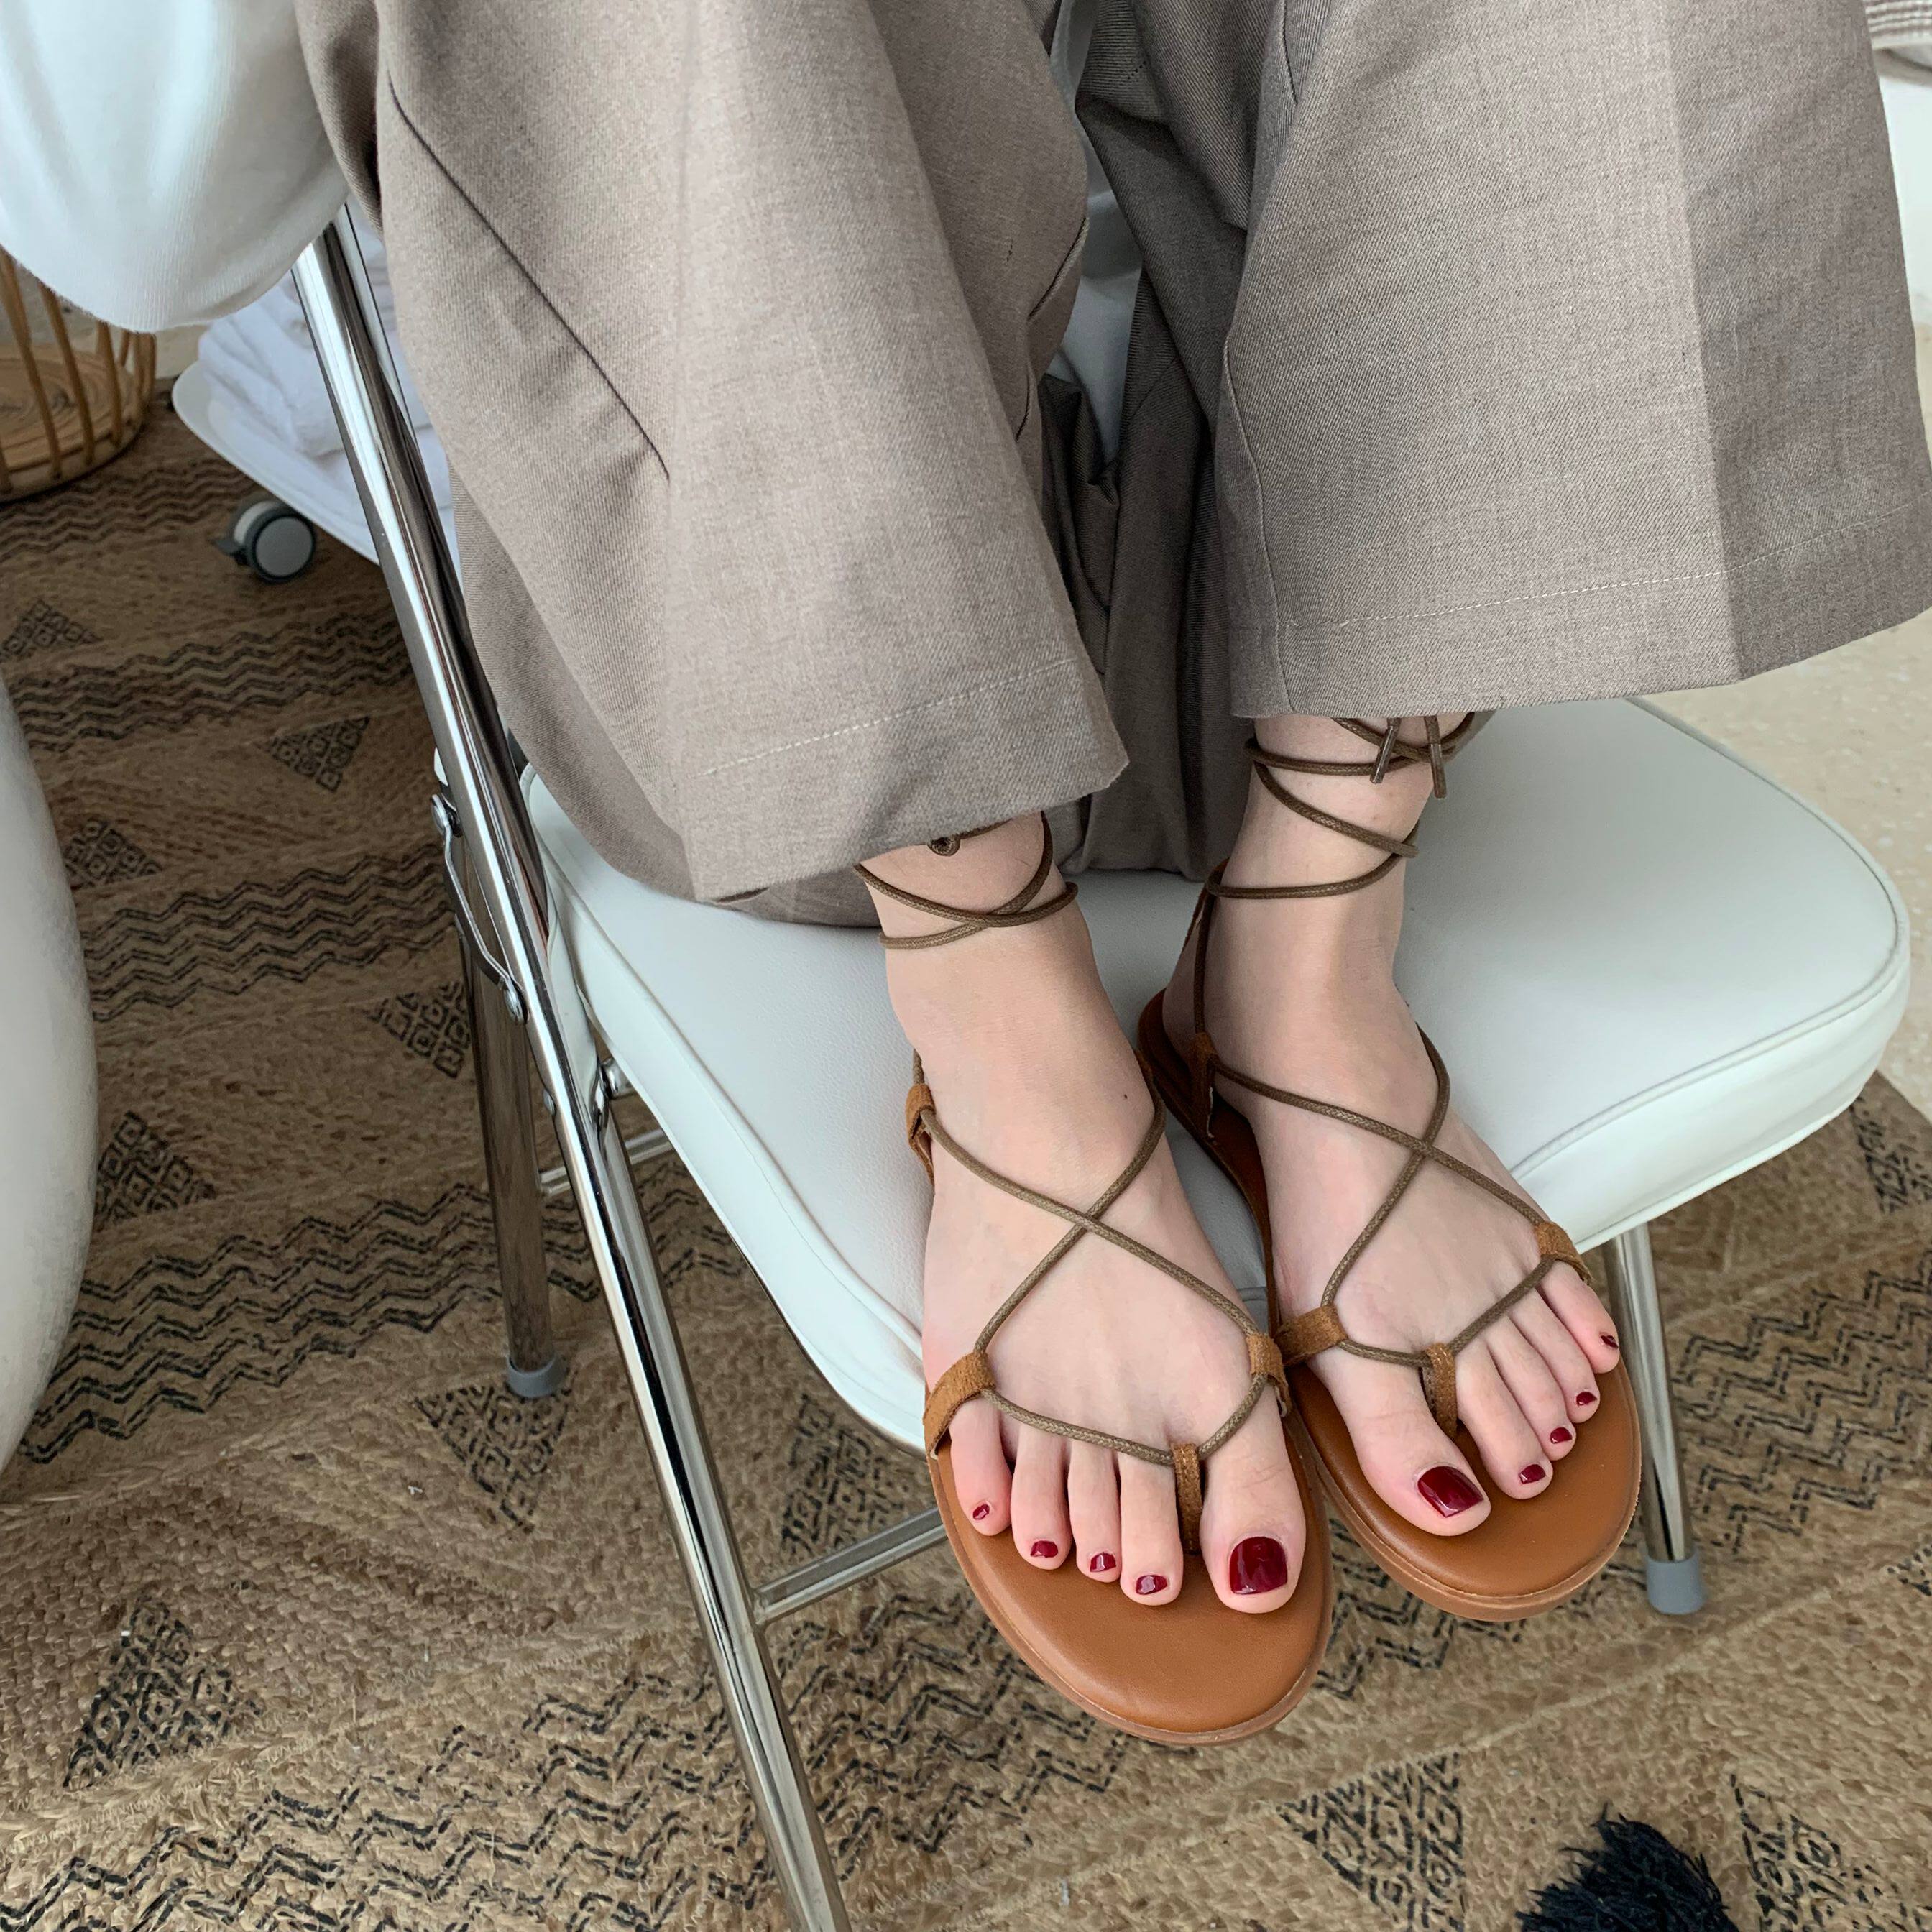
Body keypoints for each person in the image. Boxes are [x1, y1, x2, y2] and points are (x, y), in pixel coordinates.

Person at [6, 0, 1927, 1740]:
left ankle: (1305, 971)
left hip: (1349, 600)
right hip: (792, 713)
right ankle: (1015, 1045)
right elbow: (137, 229)